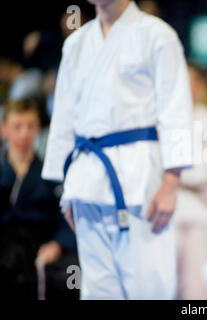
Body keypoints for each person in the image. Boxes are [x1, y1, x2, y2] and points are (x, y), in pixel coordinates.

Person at [42, 0, 193, 299]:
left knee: (149, 286)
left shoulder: (157, 35)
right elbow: (63, 121)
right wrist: (66, 189)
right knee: (98, 290)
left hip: (141, 182)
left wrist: (172, 183)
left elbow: (176, 111)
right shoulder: (76, 44)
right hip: (86, 182)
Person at [0, 99, 77, 299]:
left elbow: (66, 217)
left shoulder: (50, 173)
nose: (24, 133)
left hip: (41, 248)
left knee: (74, 273)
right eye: (17, 126)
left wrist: (57, 244)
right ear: (4, 129)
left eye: (30, 126)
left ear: (38, 129)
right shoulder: (2, 171)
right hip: (5, 247)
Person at [173, 63, 207, 300]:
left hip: (200, 206)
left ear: (200, 86)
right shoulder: (166, 118)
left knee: (198, 285)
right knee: (166, 279)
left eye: (192, 81)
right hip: (169, 207)